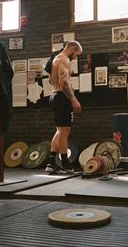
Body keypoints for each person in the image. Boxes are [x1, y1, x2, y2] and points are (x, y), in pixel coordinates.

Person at [45, 41, 83, 174]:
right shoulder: (64, 59)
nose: (76, 57)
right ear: (72, 49)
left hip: (54, 95)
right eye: (77, 54)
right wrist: (73, 99)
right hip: (62, 97)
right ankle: (65, 165)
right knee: (65, 131)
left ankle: (50, 163)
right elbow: (64, 81)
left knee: (60, 131)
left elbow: (51, 80)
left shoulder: (55, 59)